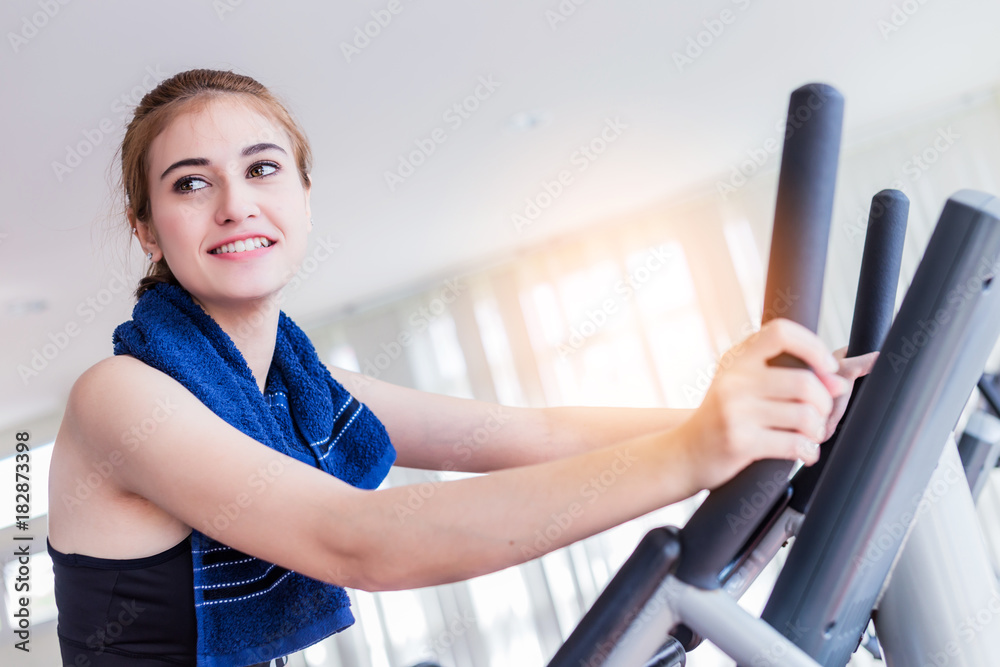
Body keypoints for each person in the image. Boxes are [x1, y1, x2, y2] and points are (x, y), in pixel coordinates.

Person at [45, 68, 874, 667]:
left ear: (302, 192)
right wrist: (694, 451)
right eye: (191, 184)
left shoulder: (297, 392)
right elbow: (356, 541)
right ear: (148, 228)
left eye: (261, 168)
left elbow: (526, 432)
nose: (235, 203)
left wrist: (778, 403)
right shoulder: (119, 399)